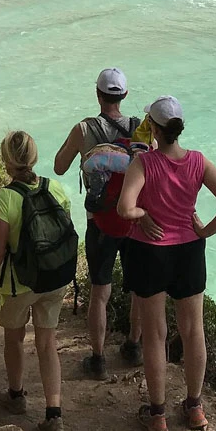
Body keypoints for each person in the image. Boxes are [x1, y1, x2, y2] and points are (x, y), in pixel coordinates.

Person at [117, 96, 216, 431]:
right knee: (192, 330)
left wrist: (143, 216)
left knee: (155, 334)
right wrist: (204, 230)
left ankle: (157, 415)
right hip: (189, 251)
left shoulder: (143, 164)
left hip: (150, 253)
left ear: (154, 129)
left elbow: (125, 210)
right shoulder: (199, 162)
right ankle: (194, 407)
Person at [0, 131, 70, 431]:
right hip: (54, 281)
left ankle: (16, 396)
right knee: (47, 343)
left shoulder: (4, 198)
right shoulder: (55, 188)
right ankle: (54, 414)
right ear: (35, 157)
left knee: (14, 340)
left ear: (6, 161)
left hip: (18, 285)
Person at [53, 68, 145, 377]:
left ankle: (98, 360)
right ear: (125, 96)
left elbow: (59, 166)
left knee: (100, 291)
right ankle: (133, 348)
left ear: (97, 94)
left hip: (100, 221)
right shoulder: (140, 128)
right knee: (139, 290)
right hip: (134, 220)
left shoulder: (84, 129)